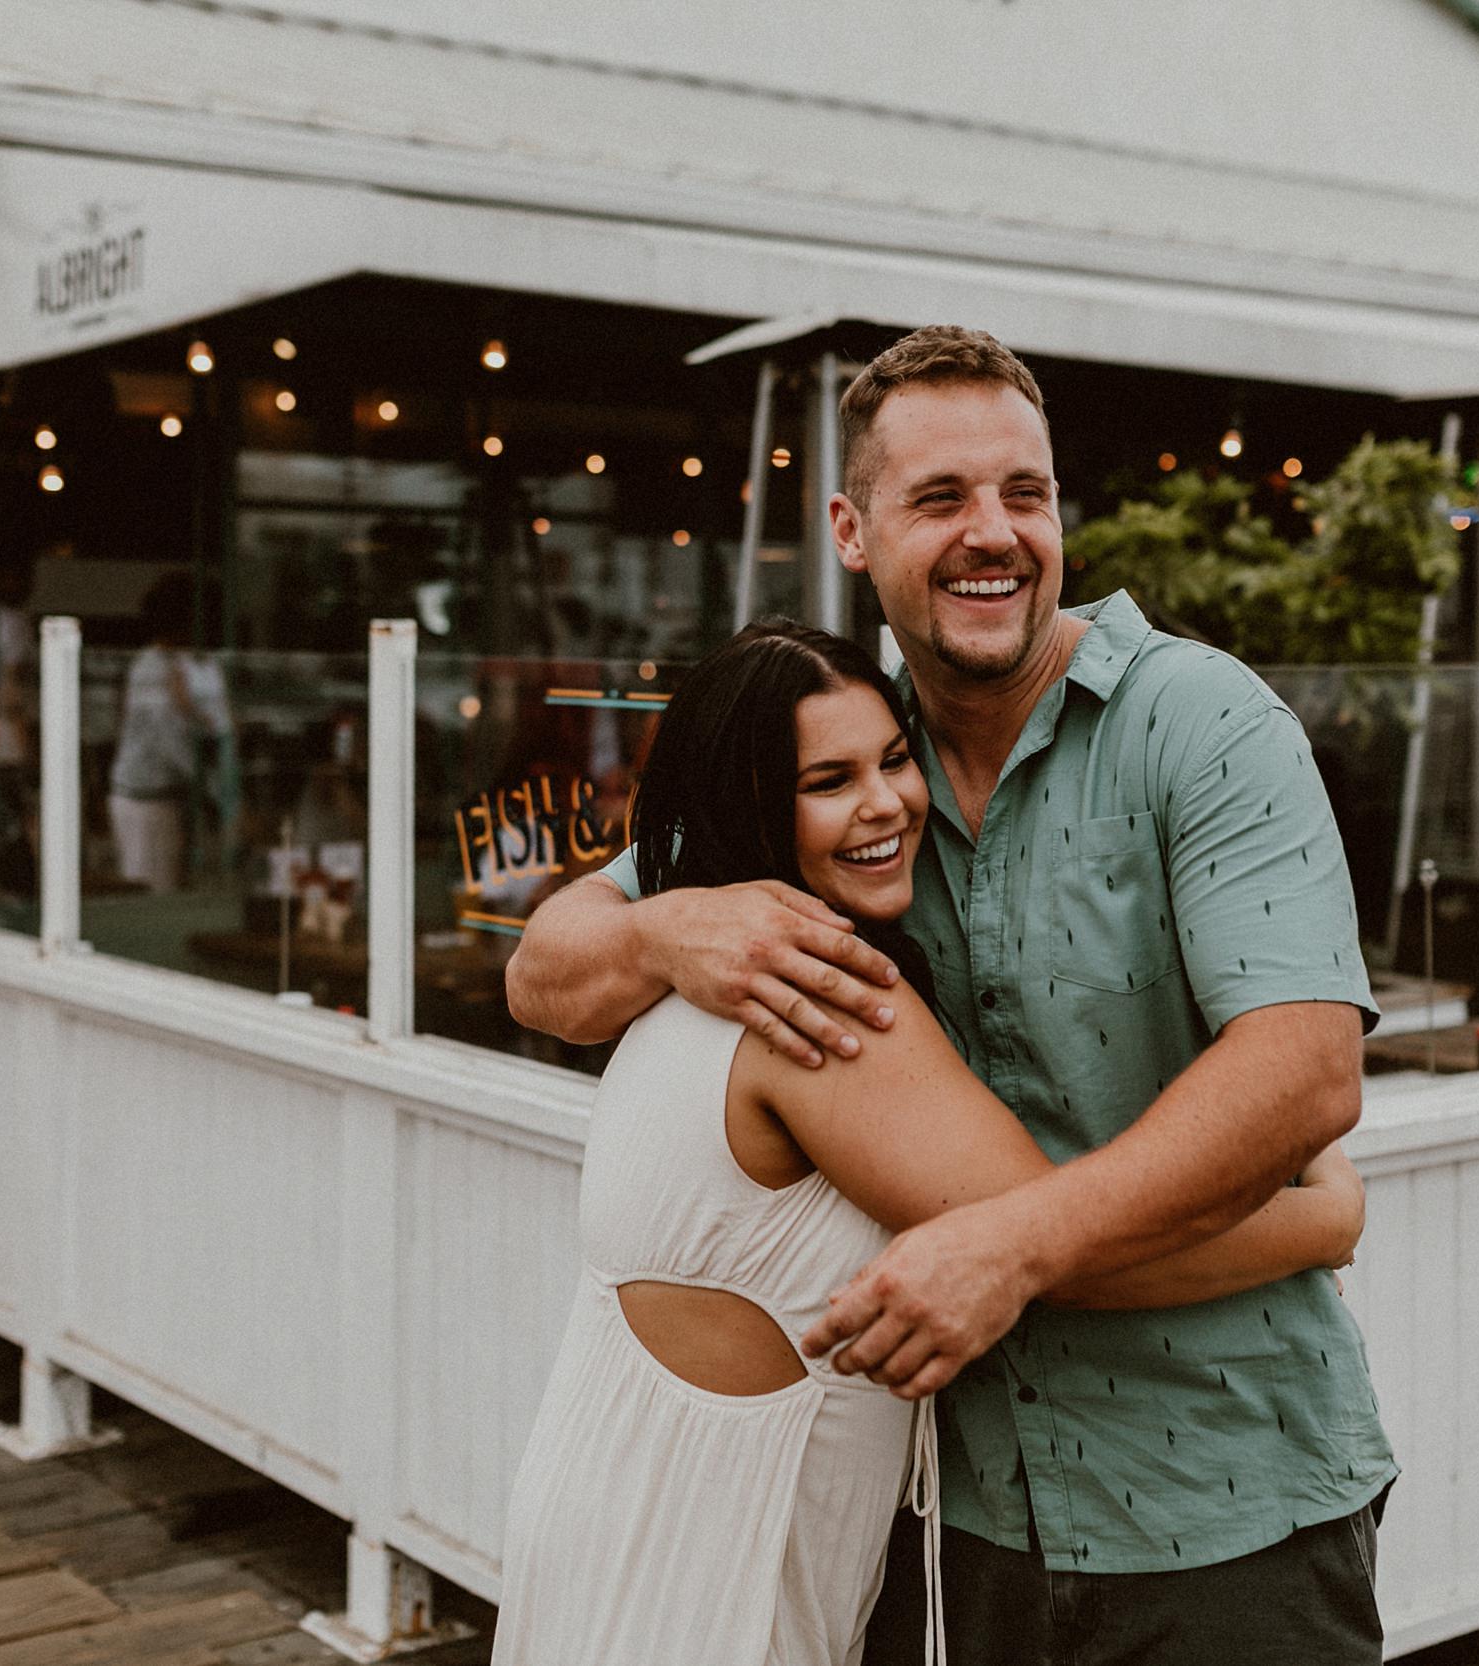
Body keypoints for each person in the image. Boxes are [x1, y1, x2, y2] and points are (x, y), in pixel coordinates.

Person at [509, 326, 1396, 1664]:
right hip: (945, 1527)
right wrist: (673, 924)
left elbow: (1309, 1067)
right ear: (853, 529)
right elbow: (546, 969)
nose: (995, 533)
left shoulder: (1206, 724)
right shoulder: (851, 755)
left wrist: (1021, 1243)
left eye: (1023, 493)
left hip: (1223, 1509)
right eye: (942, 499)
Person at [105, 571, 231, 893]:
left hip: (164, 797)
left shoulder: (178, 664)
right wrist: (214, 791)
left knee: (167, 888)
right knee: (150, 894)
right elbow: (168, 740)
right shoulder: (152, 668)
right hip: (144, 800)